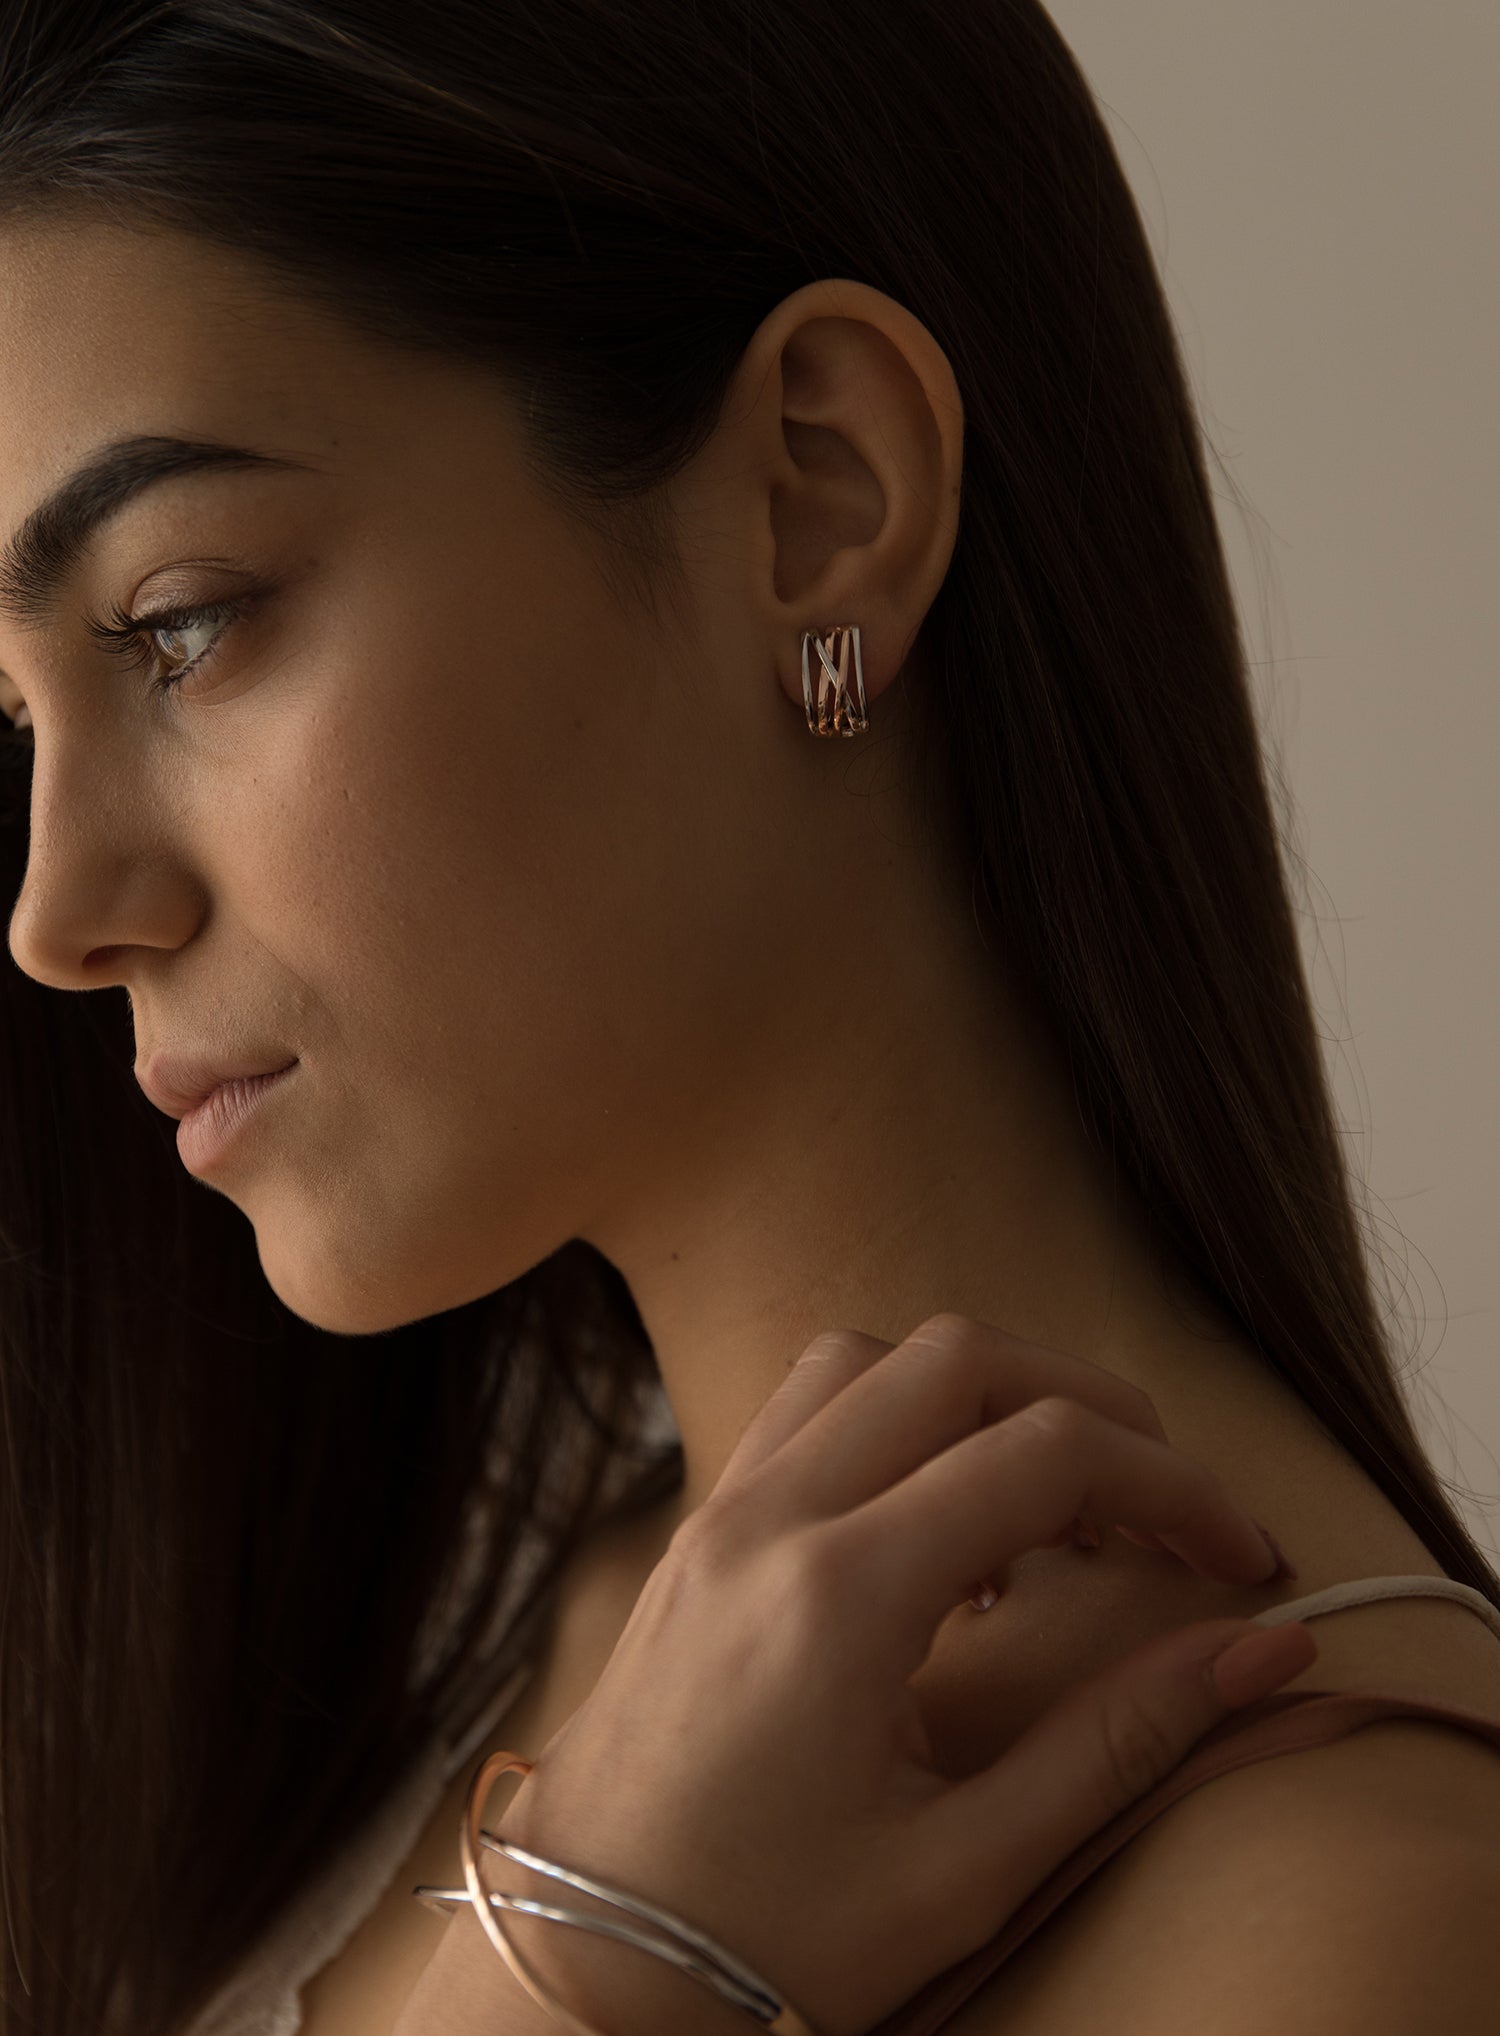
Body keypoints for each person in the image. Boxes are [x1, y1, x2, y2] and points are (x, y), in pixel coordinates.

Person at [0, 6, 1494, 2036]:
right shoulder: (484, 1663)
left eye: (180, 622)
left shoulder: (1348, 1931)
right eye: (13, 723)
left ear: (818, 495)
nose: (56, 910)